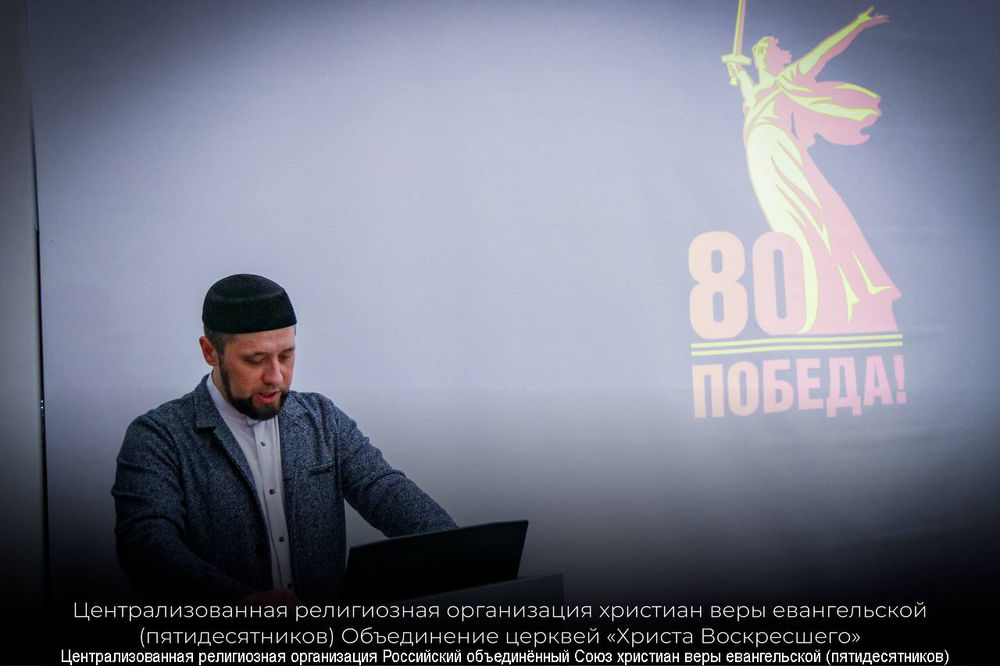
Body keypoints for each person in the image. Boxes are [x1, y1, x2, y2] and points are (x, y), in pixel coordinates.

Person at [112, 274, 456, 603]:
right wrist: (237, 602)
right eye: (255, 360)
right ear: (210, 352)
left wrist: (458, 549)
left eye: (286, 356)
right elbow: (146, 545)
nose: (276, 377)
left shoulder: (322, 418)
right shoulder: (158, 437)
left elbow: (385, 490)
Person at [722, 7, 900, 334]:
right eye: (758, 51)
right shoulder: (755, 93)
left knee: (813, 218)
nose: (761, 54)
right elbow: (747, 88)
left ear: (778, 57)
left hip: (781, 151)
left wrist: (856, 24)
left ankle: (840, 300)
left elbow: (825, 51)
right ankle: (816, 304)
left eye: (768, 49)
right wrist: (737, 69)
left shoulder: (790, 78)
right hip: (761, 159)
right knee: (789, 225)